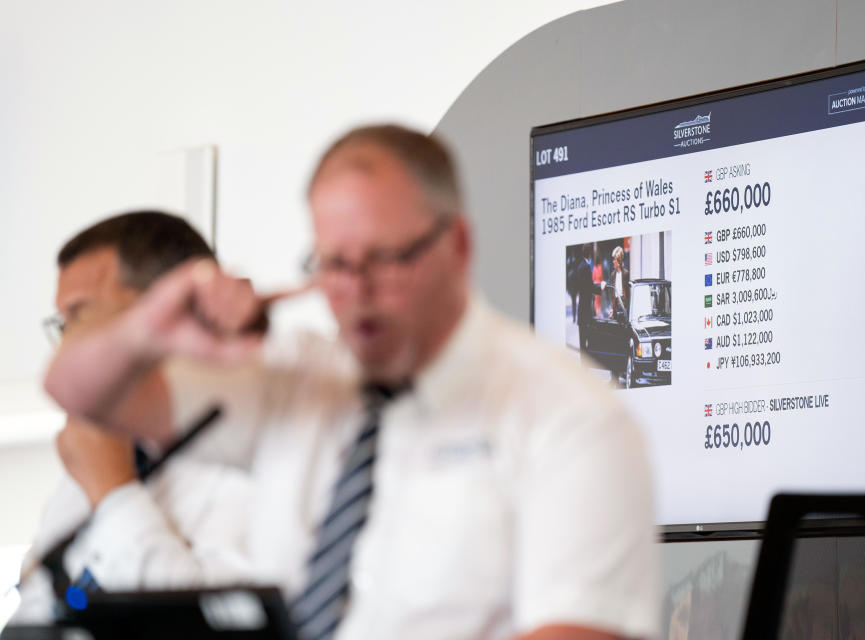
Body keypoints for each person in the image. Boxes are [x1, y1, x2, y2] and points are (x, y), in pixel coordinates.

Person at [43, 125, 658, 640]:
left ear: (458, 247)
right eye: (335, 265)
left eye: (386, 261)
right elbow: (79, 391)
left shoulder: (565, 413)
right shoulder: (298, 382)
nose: (358, 295)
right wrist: (159, 322)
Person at [14, 211, 252, 623]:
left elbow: (222, 626)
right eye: (62, 324)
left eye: (83, 315)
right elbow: (39, 611)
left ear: (170, 309)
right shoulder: (98, 451)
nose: (68, 347)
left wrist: (115, 494)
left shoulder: (255, 453)